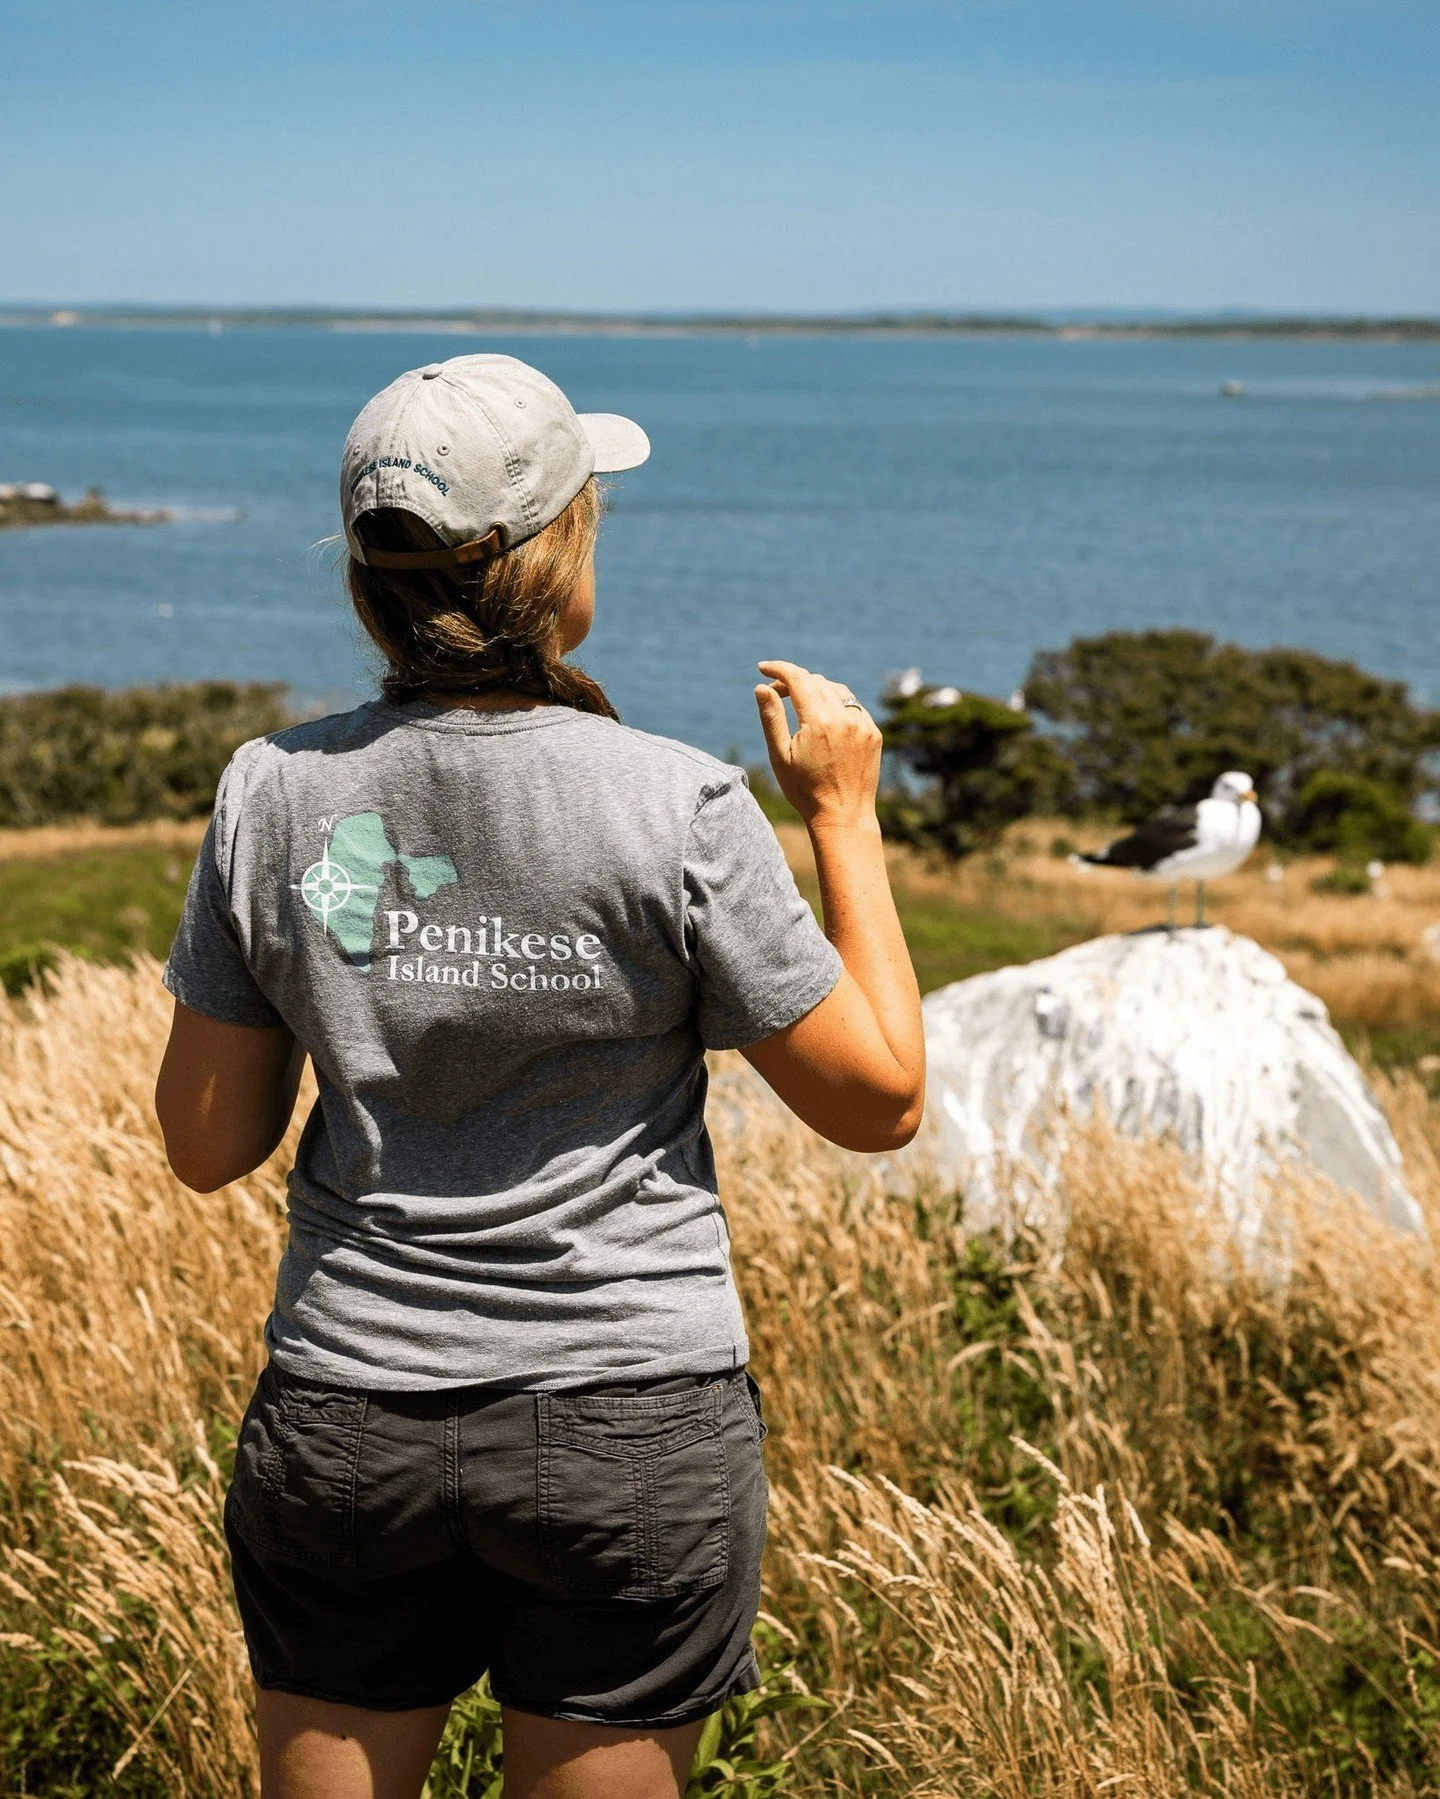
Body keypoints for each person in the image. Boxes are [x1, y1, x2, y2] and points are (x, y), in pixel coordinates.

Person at [155, 353, 924, 1799]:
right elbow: (878, 1100)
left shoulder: (272, 791)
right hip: (629, 1415)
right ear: (552, 561)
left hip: (347, 1413)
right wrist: (842, 814)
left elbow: (208, 1141)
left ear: (372, 577)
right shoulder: (675, 801)